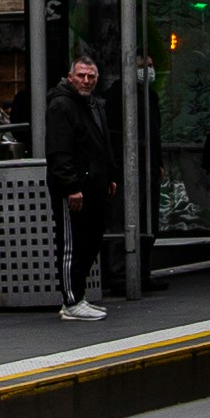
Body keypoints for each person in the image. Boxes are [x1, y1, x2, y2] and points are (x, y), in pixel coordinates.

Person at [50, 55, 122, 321]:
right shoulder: (61, 105)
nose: (86, 80)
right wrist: (71, 186)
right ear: (70, 77)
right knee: (73, 244)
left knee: (91, 241)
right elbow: (59, 150)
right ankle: (71, 301)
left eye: (91, 76)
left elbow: (102, 144)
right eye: (81, 75)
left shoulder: (94, 105)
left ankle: (77, 297)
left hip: (94, 185)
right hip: (75, 188)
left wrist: (109, 176)